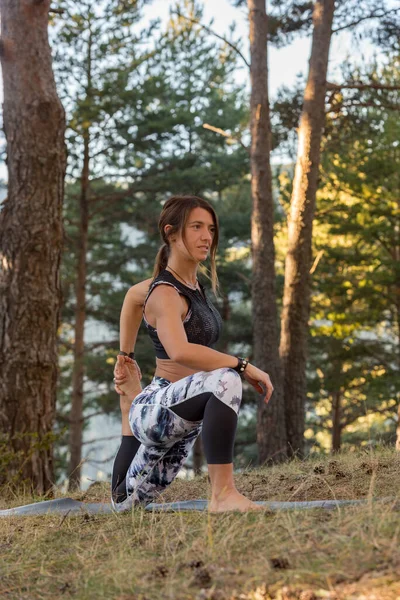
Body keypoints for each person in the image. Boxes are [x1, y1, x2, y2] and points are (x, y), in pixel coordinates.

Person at [111, 195, 273, 513]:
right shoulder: (164, 293)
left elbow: (132, 297)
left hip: (180, 409)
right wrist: (243, 365)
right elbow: (180, 351)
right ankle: (223, 495)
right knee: (226, 379)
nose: (207, 237)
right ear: (172, 233)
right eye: (196, 227)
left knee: (125, 502)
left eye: (210, 228)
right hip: (157, 406)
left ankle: (129, 402)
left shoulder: (189, 285)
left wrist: (125, 355)